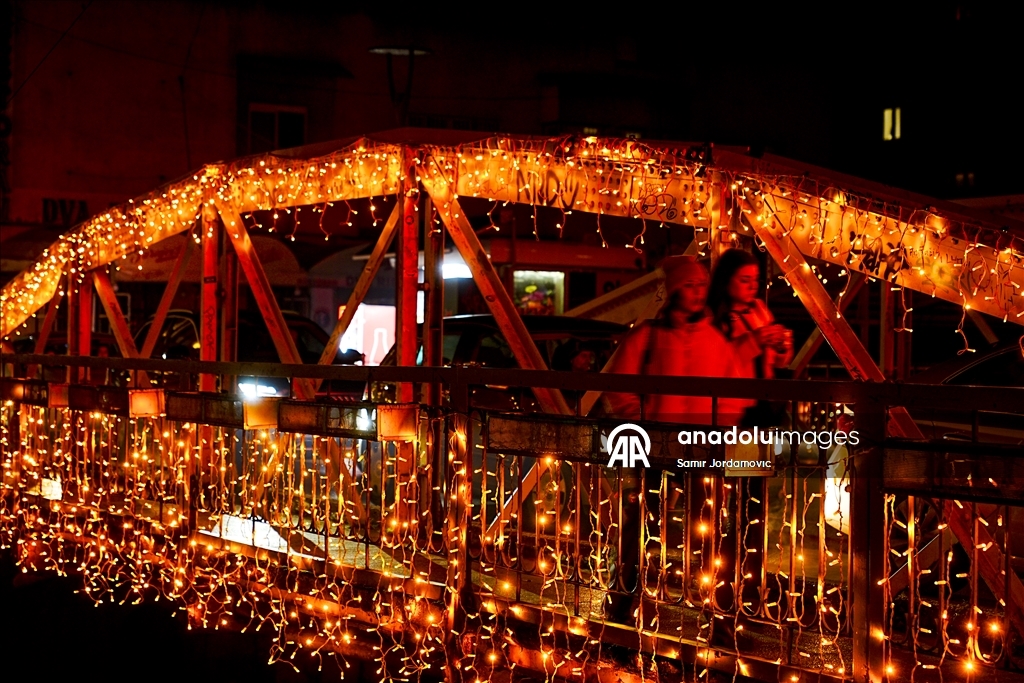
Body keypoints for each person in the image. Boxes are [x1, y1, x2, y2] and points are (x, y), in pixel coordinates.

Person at [602, 255, 753, 623]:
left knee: (704, 530)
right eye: (689, 286)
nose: (697, 293)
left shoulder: (715, 341)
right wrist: (642, 424)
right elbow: (618, 389)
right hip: (654, 449)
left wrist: (717, 429)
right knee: (640, 526)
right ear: (673, 291)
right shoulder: (647, 336)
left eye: (701, 286)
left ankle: (712, 604)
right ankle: (628, 598)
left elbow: (735, 396)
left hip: (700, 449)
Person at [707, 249, 793, 425]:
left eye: (755, 280)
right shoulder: (713, 317)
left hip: (765, 399)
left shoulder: (759, 309)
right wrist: (754, 340)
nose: (753, 286)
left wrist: (782, 346)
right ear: (726, 280)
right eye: (745, 280)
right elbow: (719, 363)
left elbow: (776, 362)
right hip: (735, 403)